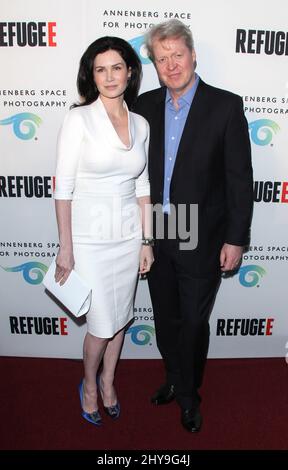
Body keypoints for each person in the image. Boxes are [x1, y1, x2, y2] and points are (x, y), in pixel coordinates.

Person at [134, 19, 253, 433]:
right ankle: (172, 377)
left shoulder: (225, 106)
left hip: (200, 234)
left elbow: (240, 179)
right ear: (154, 63)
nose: (171, 65)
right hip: (156, 231)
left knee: (193, 322)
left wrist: (236, 239)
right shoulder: (144, 107)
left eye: (177, 55)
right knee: (165, 318)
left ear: (193, 54)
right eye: (161, 58)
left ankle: (189, 395)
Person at [54, 36, 153, 426]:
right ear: (91, 76)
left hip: (128, 236)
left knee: (122, 318)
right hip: (90, 239)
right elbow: (62, 189)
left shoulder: (141, 123)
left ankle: (110, 382)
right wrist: (67, 249)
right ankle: (90, 385)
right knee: (99, 325)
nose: (109, 76)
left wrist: (147, 240)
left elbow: (142, 186)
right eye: (100, 69)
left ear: (130, 72)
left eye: (117, 67)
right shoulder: (78, 119)